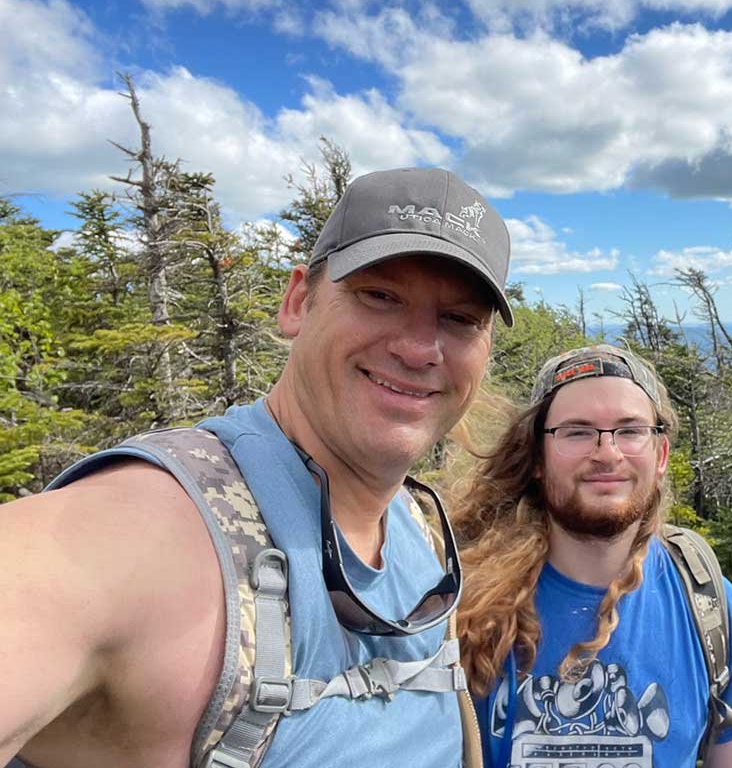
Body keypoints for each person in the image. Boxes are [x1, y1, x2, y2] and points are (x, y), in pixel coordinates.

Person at [0, 168, 512, 768]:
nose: (420, 348)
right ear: (298, 302)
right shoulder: (145, 531)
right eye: (380, 295)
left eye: (460, 319)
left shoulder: (418, 529)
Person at [451, 345, 732, 768]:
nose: (607, 453)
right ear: (537, 456)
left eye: (629, 431)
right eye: (577, 431)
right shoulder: (464, 610)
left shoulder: (708, 605)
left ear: (660, 455)